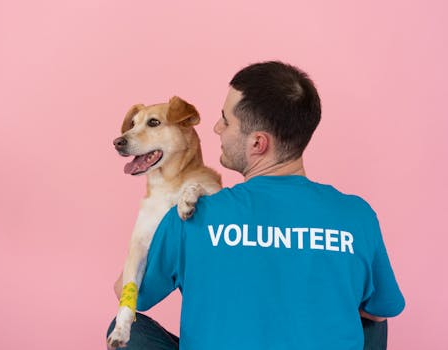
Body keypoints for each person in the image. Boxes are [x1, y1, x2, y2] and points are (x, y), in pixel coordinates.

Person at [107, 61, 405, 349]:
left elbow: (130, 295)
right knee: (375, 312)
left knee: (124, 329)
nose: (216, 128)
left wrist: (154, 231)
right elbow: (380, 311)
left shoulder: (191, 215)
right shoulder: (357, 215)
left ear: (258, 143)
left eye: (226, 120)